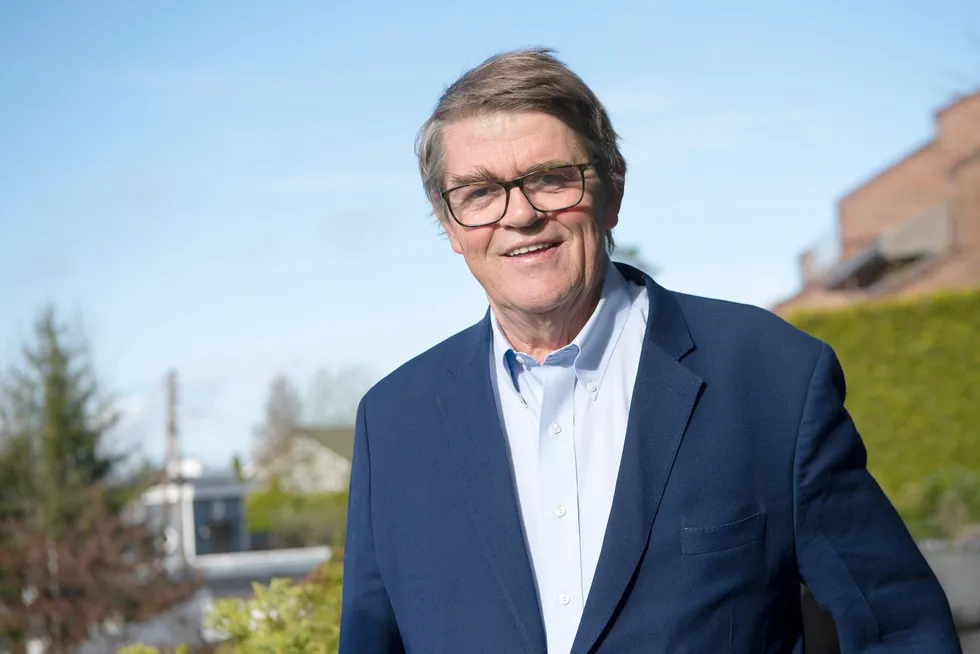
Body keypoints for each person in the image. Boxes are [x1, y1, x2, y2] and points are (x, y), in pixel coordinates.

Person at [339, 48, 959, 653]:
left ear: (613, 189)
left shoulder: (771, 375)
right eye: (478, 192)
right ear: (448, 222)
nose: (520, 215)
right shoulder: (391, 424)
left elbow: (902, 627)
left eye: (551, 179)